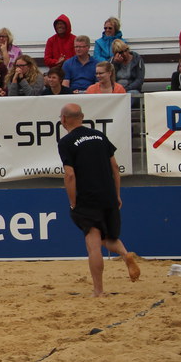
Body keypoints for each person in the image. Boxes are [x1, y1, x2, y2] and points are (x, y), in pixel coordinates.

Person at [57, 103, 140, 297]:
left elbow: (70, 175)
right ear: (82, 117)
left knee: (93, 244)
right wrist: (117, 194)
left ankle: (99, 291)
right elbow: (115, 167)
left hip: (88, 197)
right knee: (107, 238)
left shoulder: (66, 142)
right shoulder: (99, 136)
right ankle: (125, 254)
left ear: (63, 120)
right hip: (108, 195)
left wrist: (73, 202)